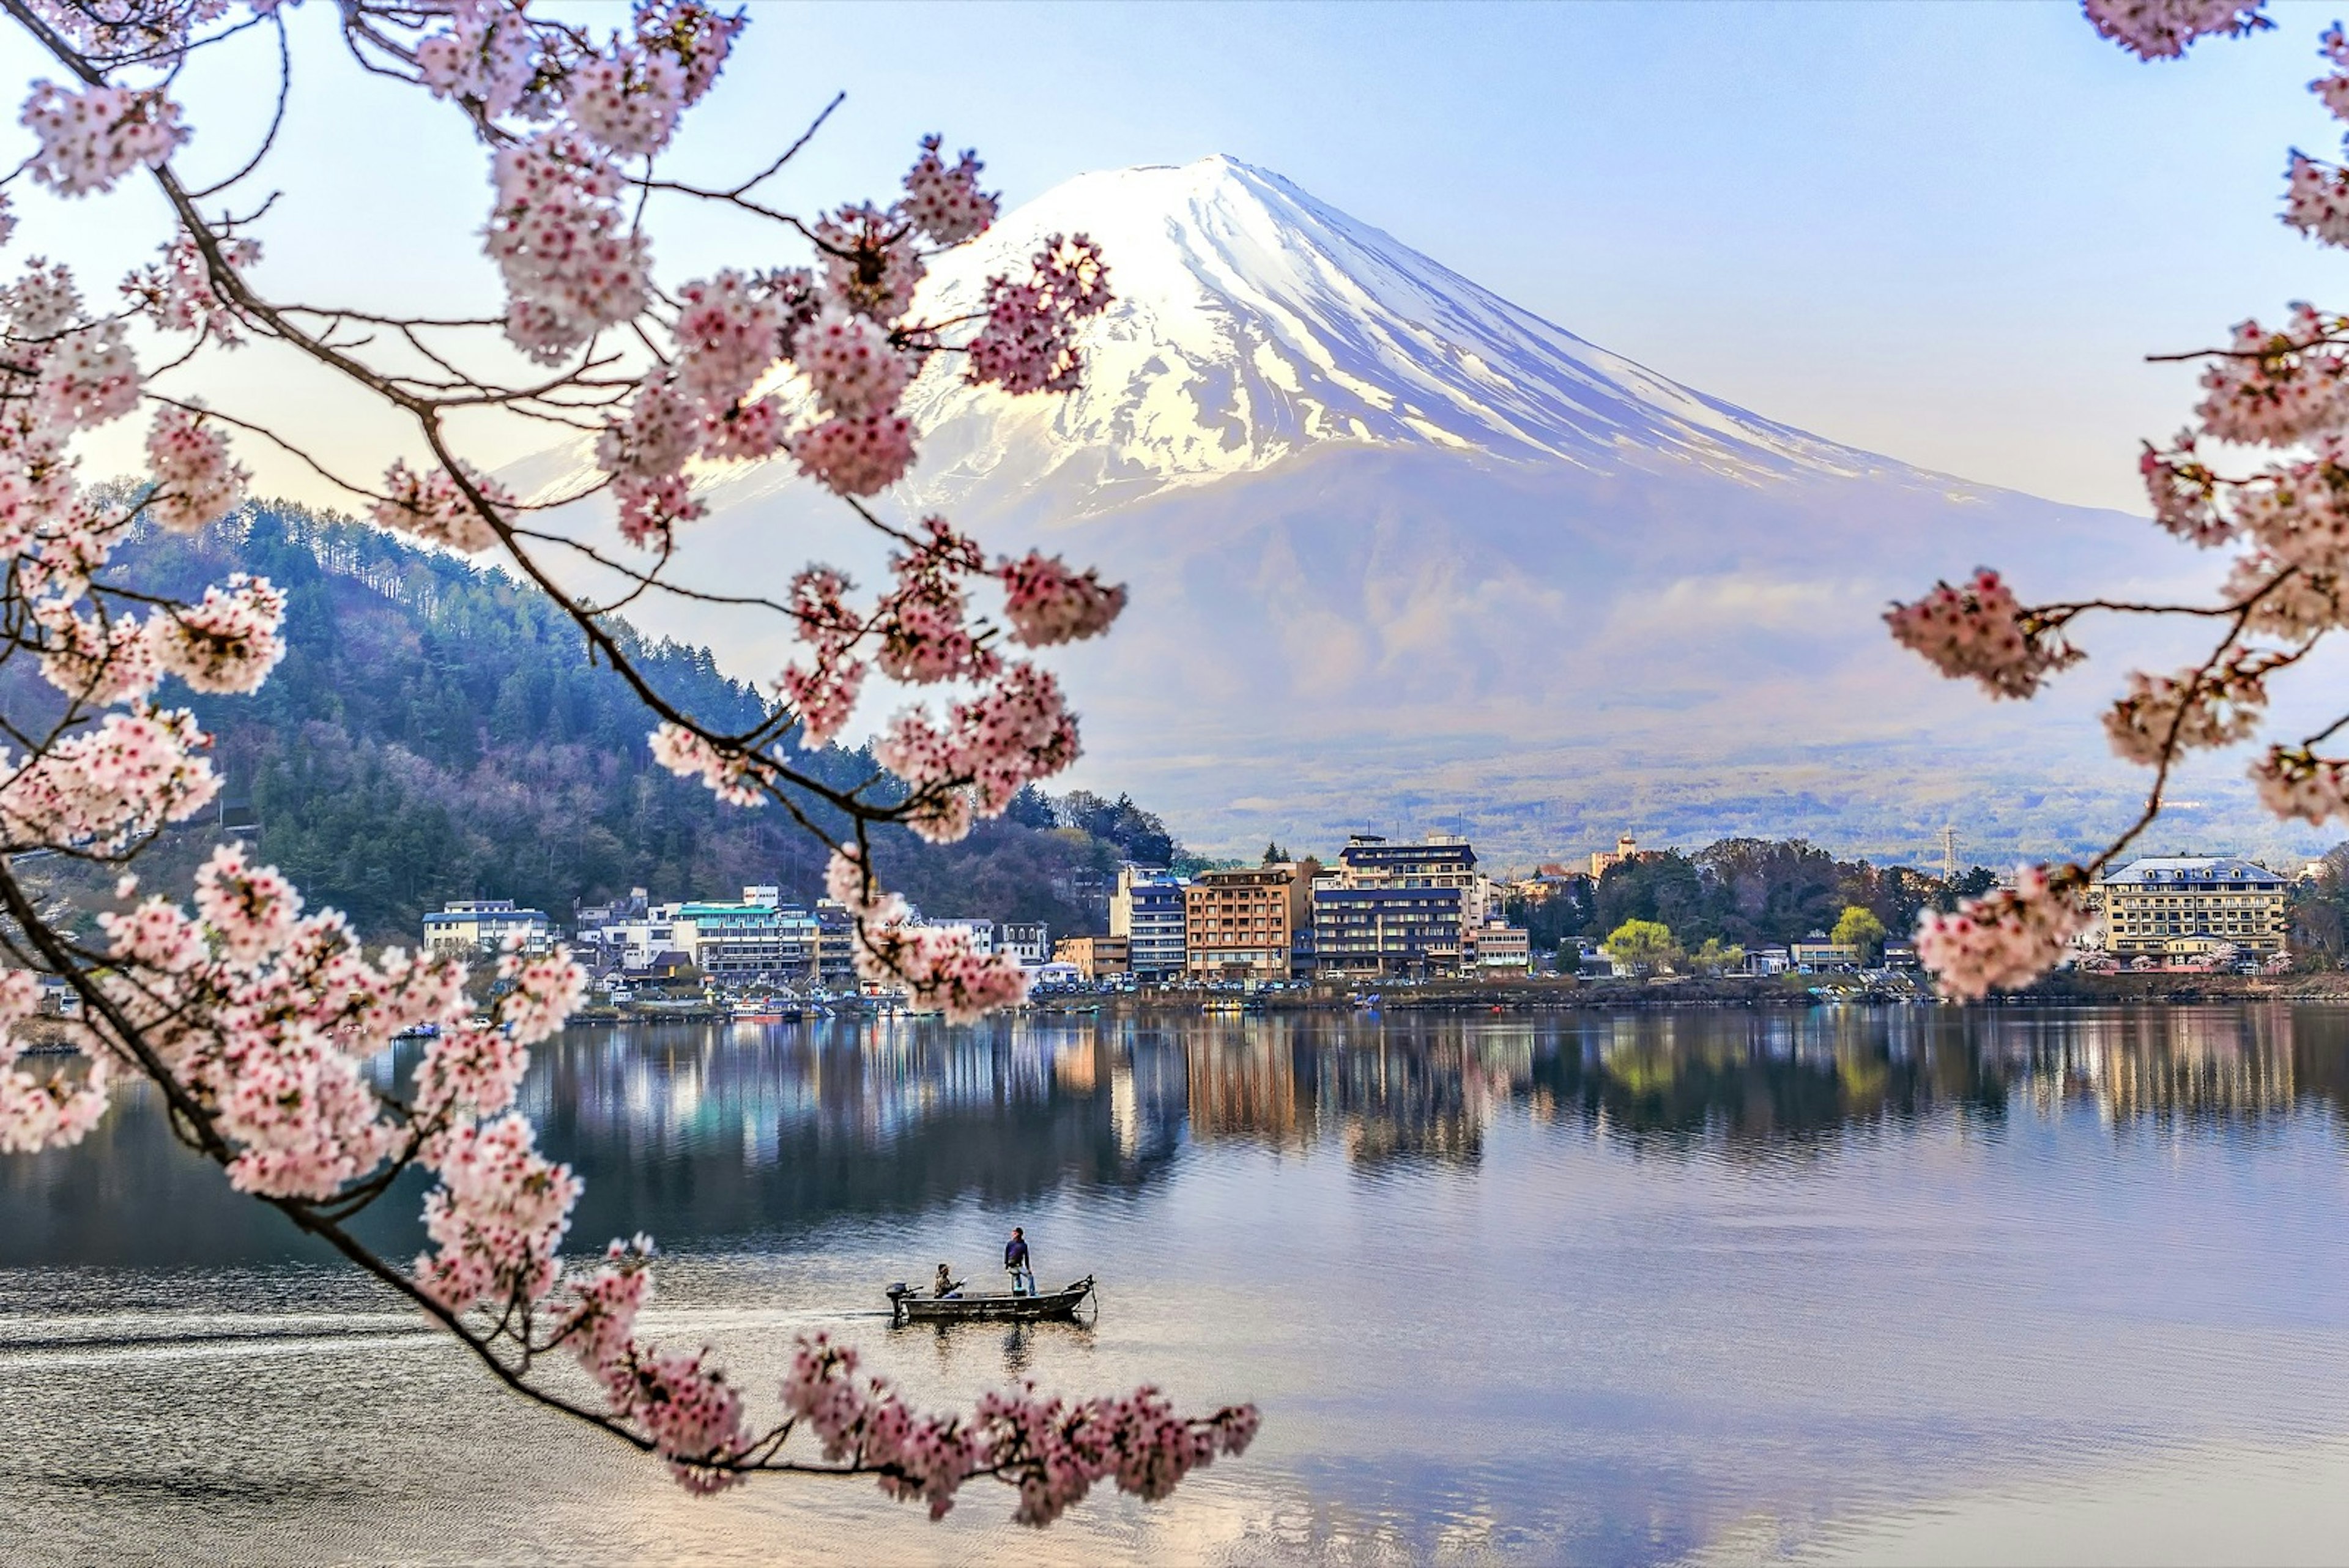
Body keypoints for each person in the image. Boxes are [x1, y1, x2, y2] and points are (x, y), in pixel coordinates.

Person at [1004, 1227, 1036, 1296]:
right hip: (1013, 1267)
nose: (1013, 1234)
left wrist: (1028, 1268)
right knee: (1027, 1278)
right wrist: (1006, 1265)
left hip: (1016, 1266)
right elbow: (1007, 1254)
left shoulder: (1021, 1245)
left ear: (1019, 1234)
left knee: (1023, 1278)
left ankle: (1024, 1294)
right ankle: (1029, 1294)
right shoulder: (1012, 1244)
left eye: (1015, 1233)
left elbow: (1026, 1258)